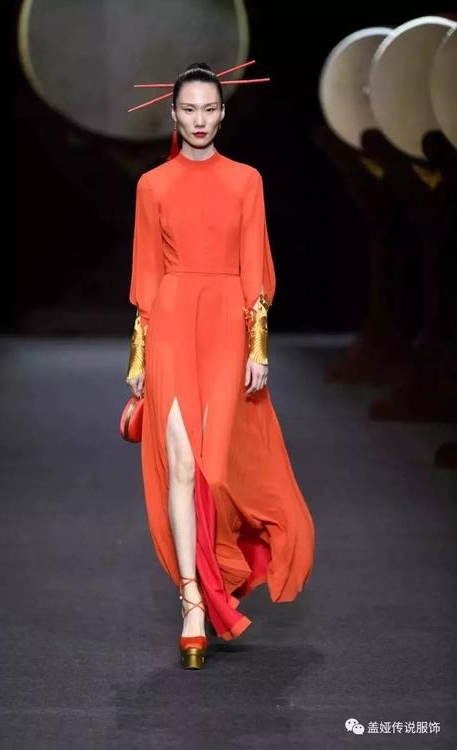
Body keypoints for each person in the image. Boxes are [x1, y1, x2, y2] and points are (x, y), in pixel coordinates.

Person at [125, 62, 315, 669]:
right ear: (173, 114)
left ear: (223, 114)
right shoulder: (152, 185)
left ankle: (225, 566)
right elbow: (147, 272)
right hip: (173, 321)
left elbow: (255, 263)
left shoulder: (246, 180)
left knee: (218, 468)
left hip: (228, 323)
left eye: (210, 108)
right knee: (182, 464)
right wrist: (139, 355)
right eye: (189, 109)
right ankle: (191, 604)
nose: (200, 119)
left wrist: (258, 346)